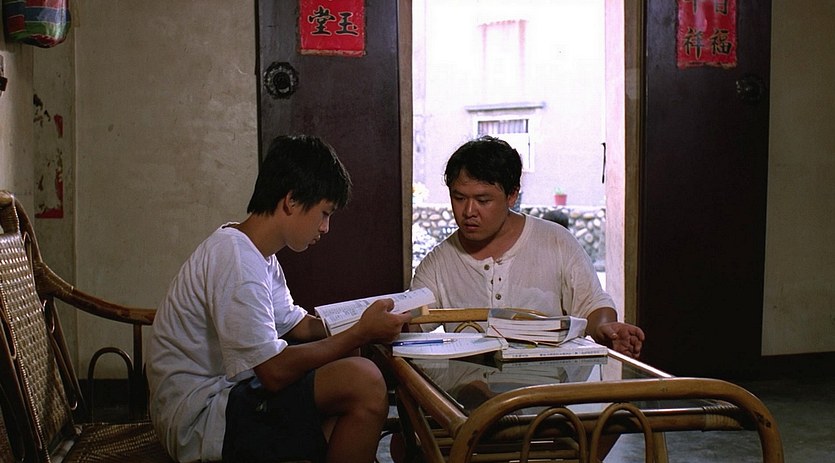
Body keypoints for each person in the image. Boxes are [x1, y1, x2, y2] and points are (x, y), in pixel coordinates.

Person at [146, 135, 412, 463]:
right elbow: (273, 372)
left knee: (347, 386)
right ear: (291, 200)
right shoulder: (236, 259)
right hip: (199, 418)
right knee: (364, 379)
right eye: (324, 213)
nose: (325, 228)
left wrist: (361, 319)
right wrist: (360, 333)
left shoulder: (259, 256)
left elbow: (298, 325)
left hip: (229, 398)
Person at [411, 135, 644, 358]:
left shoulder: (556, 241)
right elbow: (411, 323)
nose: (469, 211)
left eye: (483, 200)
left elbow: (592, 303)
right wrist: (392, 323)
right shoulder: (439, 262)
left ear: (512, 195)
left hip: (550, 381)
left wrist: (606, 329)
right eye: (459, 198)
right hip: (469, 383)